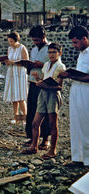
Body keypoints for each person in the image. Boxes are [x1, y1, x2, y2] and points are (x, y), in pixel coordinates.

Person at [22, 43, 65, 159]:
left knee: (52, 123)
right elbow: (44, 79)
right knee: (35, 122)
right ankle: (34, 146)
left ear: (59, 53)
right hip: (43, 94)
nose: (51, 55)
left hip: (52, 95)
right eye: (49, 52)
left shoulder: (61, 67)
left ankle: (52, 150)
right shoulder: (46, 65)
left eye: (54, 52)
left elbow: (59, 87)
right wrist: (38, 80)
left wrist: (46, 86)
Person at [59, 26, 89, 167]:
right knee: (76, 124)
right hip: (77, 91)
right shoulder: (82, 53)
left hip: (86, 93)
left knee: (86, 125)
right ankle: (78, 158)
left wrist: (70, 74)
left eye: (76, 42)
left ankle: (88, 160)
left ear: (84, 38)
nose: (74, 45)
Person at [25, 25, 51, 149]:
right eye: (33, 40)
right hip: (33, 82)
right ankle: (33, 137)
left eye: (37, 40)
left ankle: (46, 138)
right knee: (32, 109)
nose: (35, 42)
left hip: (45, 84)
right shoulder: (34, 50)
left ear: (43, 37)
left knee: (44, 111)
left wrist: (42, 65)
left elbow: (56, 67)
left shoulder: (51, 49)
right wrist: (28, 66)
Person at [3, 31, 28, 124]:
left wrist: (12, 62)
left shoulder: (22, 48)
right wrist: (7, 62)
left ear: (16, 40)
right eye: (9, 41)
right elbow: (9, 60)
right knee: (14, 97)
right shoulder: (9, 49)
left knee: (20, 97)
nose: (10, 43)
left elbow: (26, 62)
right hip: (11, 73)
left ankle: (25, 118)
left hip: (20, 73)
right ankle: (17, 118)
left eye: (12, 41)